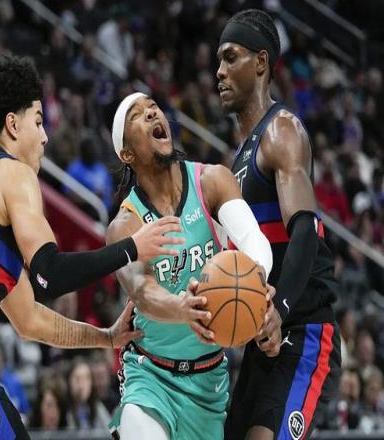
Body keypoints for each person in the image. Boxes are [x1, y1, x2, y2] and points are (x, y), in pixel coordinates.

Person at [0, 55, 184, 439]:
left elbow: (31, 321)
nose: (45, 137)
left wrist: (106, 337)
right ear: (13, 124)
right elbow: (49, 274)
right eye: (39, 122)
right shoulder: (13, 172)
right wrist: (131, 248)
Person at [106, 92, 280, 440]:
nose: (152, 113)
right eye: (138, 115)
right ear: (127, 154)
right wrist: (183, 308)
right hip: (149, 375)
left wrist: (257, 287)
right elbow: (142, 292)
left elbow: (253, 239)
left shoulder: (211, 181)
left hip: (208, 382)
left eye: (154, 107)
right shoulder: (124, 225)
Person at [215, 9, 342, 440]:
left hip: (302, 330)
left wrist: (279, 309)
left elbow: (305, 230)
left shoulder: (282, 132)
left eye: (230, 57)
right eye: (218, 61)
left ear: (261, 63)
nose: (219, 71)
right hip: (263, 338)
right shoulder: (237, 161)